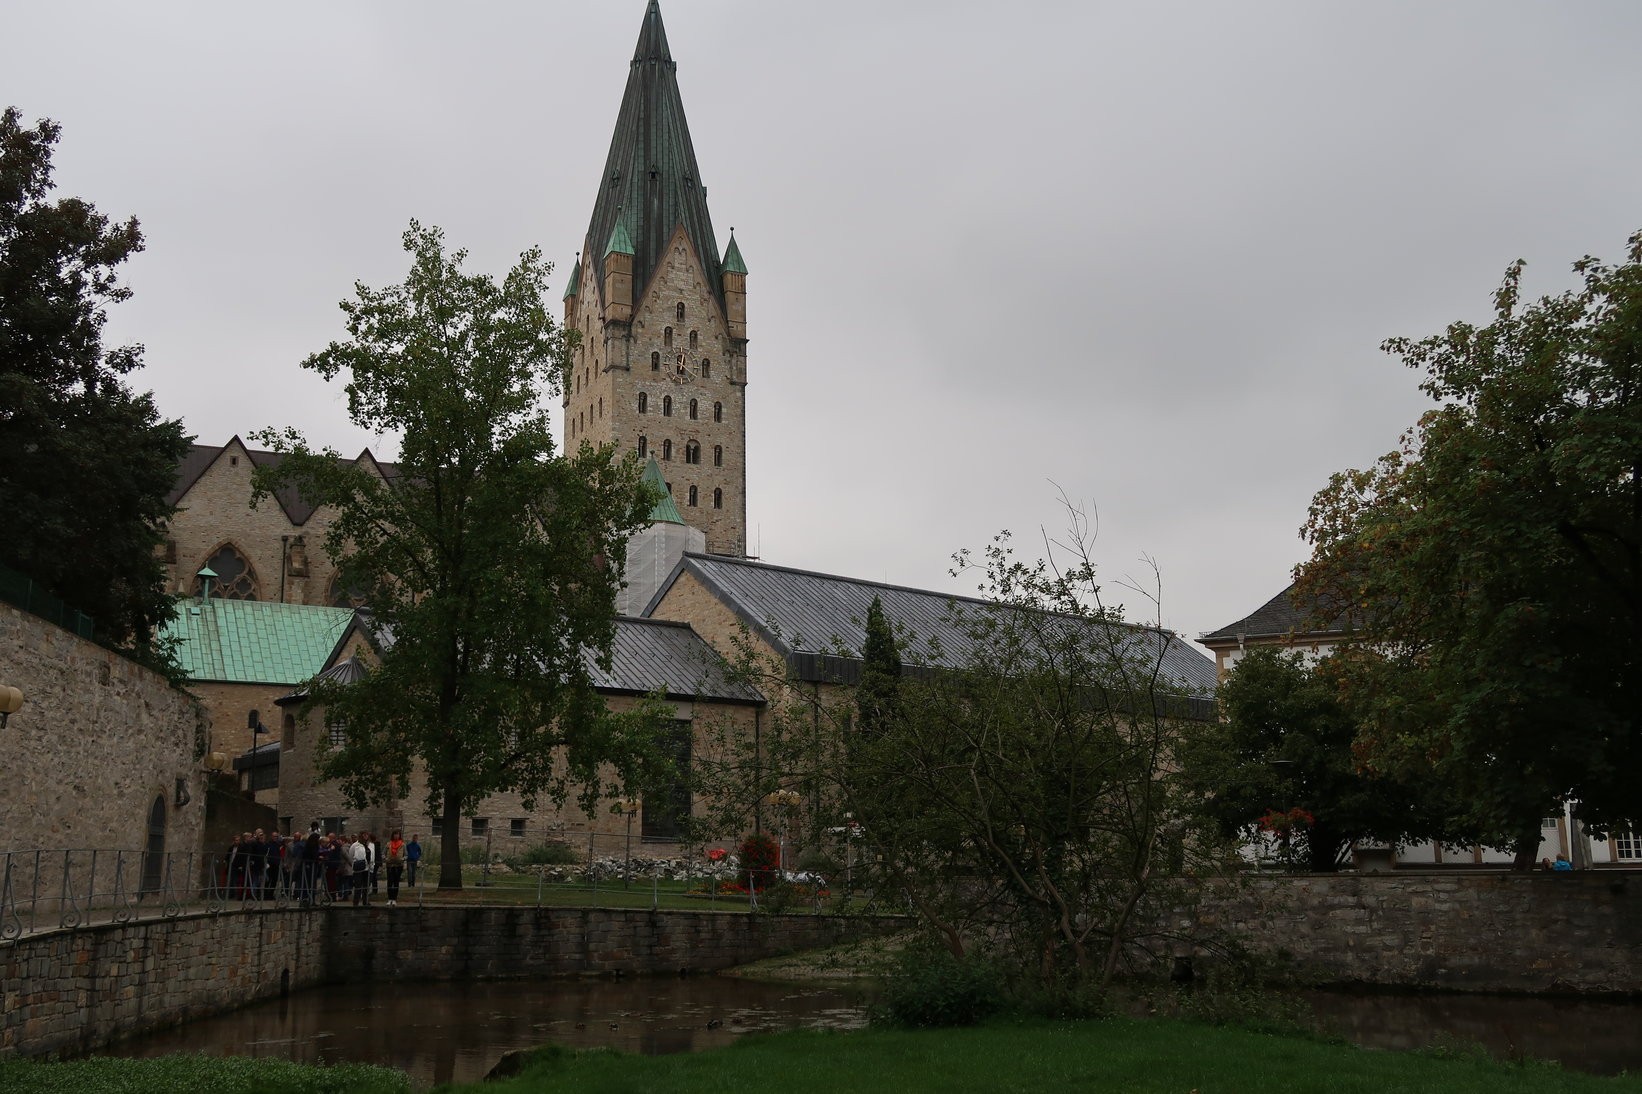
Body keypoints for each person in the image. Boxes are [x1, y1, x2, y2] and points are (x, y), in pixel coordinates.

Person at [385, 830, 406, 906]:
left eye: (397, 835)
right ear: (393, 835)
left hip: (398, 866)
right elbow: (383, 854)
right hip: (390, 865)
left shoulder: (403, 845)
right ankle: (389, 898)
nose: (396, 836)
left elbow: (406, 855)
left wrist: (403, 859)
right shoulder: (388, 844)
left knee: (396, 882)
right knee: (390, 882)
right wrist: (385, 859)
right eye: (395, 835)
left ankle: (394, 899)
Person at [352, 833, 372, 906]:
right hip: (358, 868)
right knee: (358, 886)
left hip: (367, 868)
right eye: (364, 835)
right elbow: (351, 854)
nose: (366, 837)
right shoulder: (355, 845)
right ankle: (356, 902)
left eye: (367, 835)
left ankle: (365, 901)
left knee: (366, 886)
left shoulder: (369, 845)